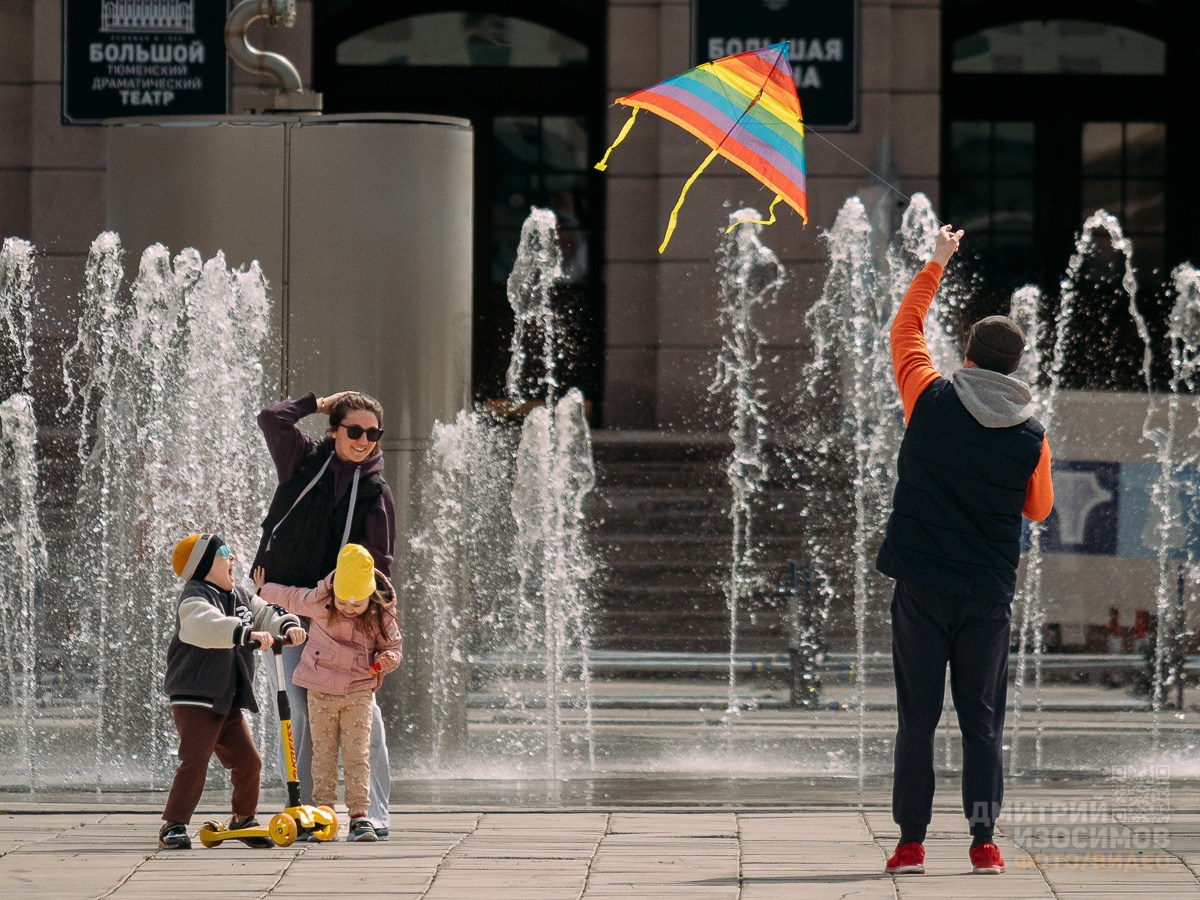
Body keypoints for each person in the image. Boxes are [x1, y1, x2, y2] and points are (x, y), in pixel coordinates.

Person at [876, 225, 1054, 876]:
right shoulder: (1032, 435)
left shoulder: (927, 394)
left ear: (969, 359)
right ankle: (984, 844)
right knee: (981, 719)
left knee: (916, 717)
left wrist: (937, 261)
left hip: (921, 587)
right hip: (986, 595)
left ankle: (910, 843)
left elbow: (906, 327)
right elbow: (1038, 508)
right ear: (1013, 367)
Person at [252, 390, 396, 838]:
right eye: (354, 430)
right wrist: (318, 402)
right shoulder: (302, 462)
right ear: (334, 430)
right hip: (289, 609)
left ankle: (372, 813)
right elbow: (272, 417)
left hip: (344, 620)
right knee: (297, 713)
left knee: (362, 718)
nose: (364, 440)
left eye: (373, 434)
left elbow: (380, 567)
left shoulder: (375, 489)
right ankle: (313, 811)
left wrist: (376, 625)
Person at [159, 532, 307, 850]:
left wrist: (286, 626)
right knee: (194, 759)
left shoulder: (239, 594)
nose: (232, 557)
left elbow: (265, 611)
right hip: (195, 695)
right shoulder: (195, 596)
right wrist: (245, 633)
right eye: (224, 551)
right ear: (203, 563)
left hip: (226, 697)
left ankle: (243, 819)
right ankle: (173, 825)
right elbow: (204, 626)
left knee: (249, 761)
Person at [254, 543, 402, 842]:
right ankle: (324, 814)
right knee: (321, 756)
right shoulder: (319, 602)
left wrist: (388, 661)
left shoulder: (379, 615)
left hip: (358, 692)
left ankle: (360, 816)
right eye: (343, 602)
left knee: (356, 755)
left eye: (356, 603)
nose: (348, 608)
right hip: (320, 692)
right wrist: (262, 589)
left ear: (369, 595)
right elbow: (291, 597)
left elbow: (393, 647)